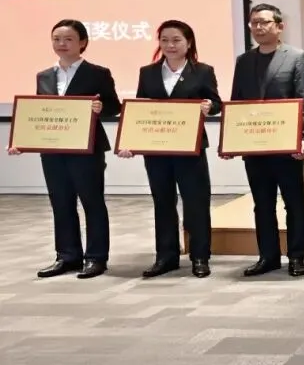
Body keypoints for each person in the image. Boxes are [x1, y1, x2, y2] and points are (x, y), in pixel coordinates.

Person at [9, 20, 120, 279]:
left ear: (83, 42)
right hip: (53, 150)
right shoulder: (44, 76)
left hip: (87, 149)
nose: (61, 44)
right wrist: (21, 140)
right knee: (60, 202)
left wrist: (101, 107)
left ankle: (96, 258)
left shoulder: (98, 73)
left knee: (92, 202)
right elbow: (39, 114)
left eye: (68, 39)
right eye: (56, 39)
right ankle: (67, 256)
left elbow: (114, 106)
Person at [116, 20, 220, 278]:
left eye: (176, 40)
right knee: (162, 202)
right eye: (164, 40)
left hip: (191, 150)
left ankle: (200, 257)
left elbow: (216, 102)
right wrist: (130, 142)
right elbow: (140, 109)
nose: (170, 45)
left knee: (196, 203)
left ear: (188, 42)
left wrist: (209, 106)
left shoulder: (203, 71)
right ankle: (166, 257)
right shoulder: (148, 72)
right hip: (156, 151)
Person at [227, 3, 304, 277]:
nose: (259, 27)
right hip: (254, 146)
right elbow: (237, 102)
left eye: (264, 22)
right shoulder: (243, 61)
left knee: (293, 203)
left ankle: (297, 257)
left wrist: (302, 138)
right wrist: (231, 140)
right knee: (262, 204)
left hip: (286, 146)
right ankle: (268, 256)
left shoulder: (297, 57)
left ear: (279, 26)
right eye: (254, 23)